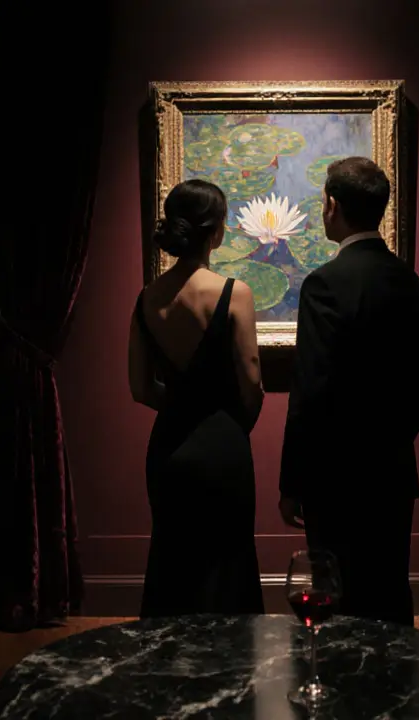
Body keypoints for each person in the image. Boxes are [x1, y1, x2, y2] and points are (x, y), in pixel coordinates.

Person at [278, 157, 419, 627]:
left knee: (339, 600)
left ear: (332, 205)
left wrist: (293, 483)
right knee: (388, 591)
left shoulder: (324, 284)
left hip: (334, 477)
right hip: (391, 470)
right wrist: (391, 439)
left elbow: (309, 390)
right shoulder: (409, 282)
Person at [128, 178, 266, 618]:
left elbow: (140, 388)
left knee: (172, 560)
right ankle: (233, 673)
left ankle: (169, 671)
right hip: (223, 446)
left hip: (168, 446)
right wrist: (230, 421)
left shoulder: (148, 298)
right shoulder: (234, 292)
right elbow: (252, 382)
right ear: (217, 232)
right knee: (229, 564)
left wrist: (182, 405)